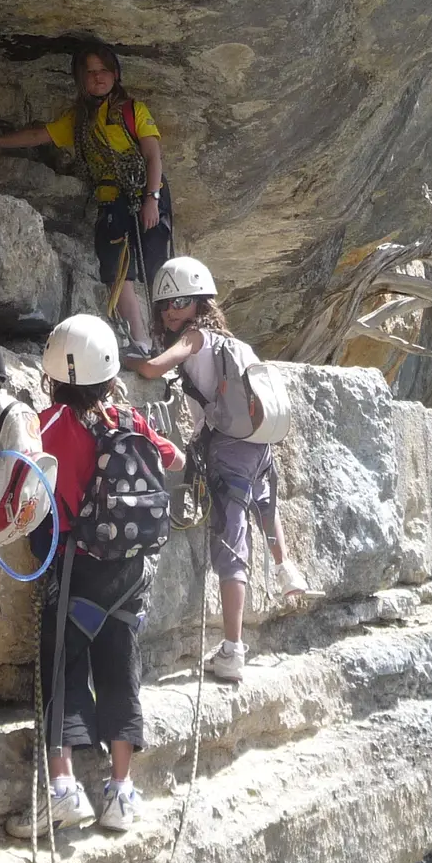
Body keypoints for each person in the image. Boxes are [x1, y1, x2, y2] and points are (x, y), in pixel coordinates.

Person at [8, 315, 183, 837]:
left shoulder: (50, 425)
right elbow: (170, 458)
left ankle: (63, 787)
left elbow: (21, 479)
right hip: (129, 572)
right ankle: (121, 792)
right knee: (120, 667)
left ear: (53, 374)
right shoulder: (127, 418)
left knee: (61, 662)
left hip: (75, 566)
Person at [127, 257, 308, 682]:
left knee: (230, 545)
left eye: (181, 302)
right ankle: (285, 568)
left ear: (200, 302)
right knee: (264, 504)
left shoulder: (195, 337)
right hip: (259, 443)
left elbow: (155, 368)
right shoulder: (235, 343)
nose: (172, 311)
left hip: (228, 448)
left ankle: (232, 650)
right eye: (166, 305)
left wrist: (130, 360)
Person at [0, 41, 171, 354]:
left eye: (104, 71)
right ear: (81, 79)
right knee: (117, 270)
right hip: (112, 198)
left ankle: (168, 338)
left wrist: (152, 198)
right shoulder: (78, 120)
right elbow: (38, 135)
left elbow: (153, 155)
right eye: (91, 72)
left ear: (115, 74)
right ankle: (141, 340)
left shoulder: (132, 110)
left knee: (157, 266)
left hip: (145, 191)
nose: (98, 78)